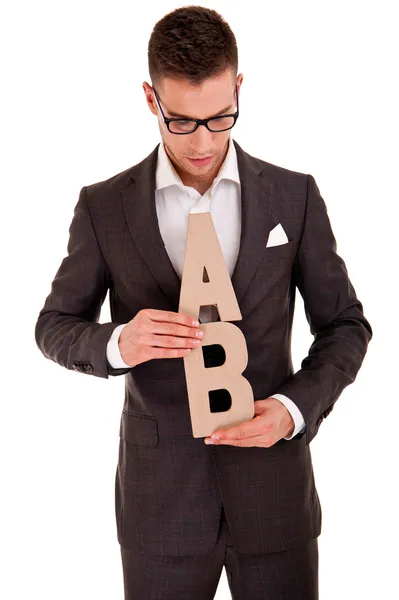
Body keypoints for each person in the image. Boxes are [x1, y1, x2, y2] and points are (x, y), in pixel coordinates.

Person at [34, 6, 373, 599]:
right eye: (182, 122)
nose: (203, 142)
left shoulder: (294, 197)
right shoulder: (103, 206)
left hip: (276, 501)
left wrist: (293, 409)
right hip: (159, 506)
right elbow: (54, 325)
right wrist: (118, 341)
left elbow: (346, 325)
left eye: (221, 118)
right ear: (150, 98)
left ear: (239, 88)